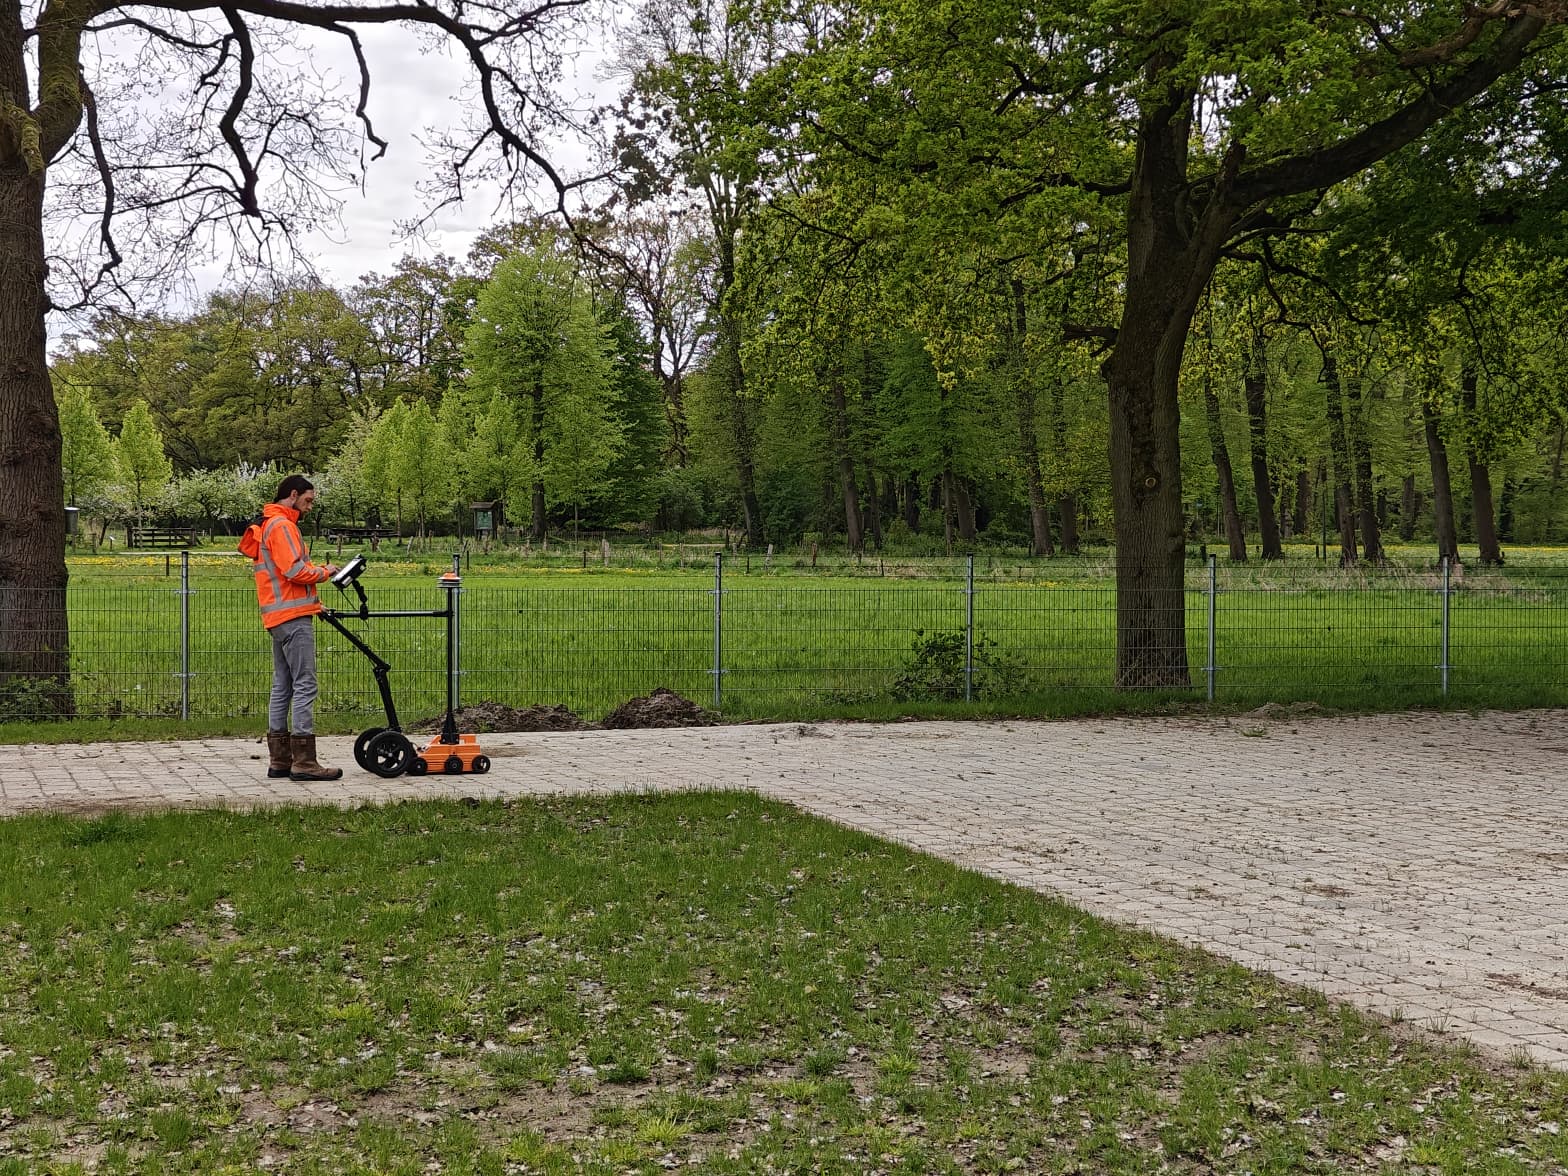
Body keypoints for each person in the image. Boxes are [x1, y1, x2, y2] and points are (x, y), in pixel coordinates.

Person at [239, 475, 342, 781]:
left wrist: (314, 604)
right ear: (293, 495)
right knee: (305, 684)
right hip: (293, 619)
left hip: (278, 617)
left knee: (282, 685)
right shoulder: (283, 526)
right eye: (308, 500)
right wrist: (325, 571)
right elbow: (294, 571)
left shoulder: (268, 525)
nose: (310, 507)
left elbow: (283, 580)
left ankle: (280, 760)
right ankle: (304, 762)